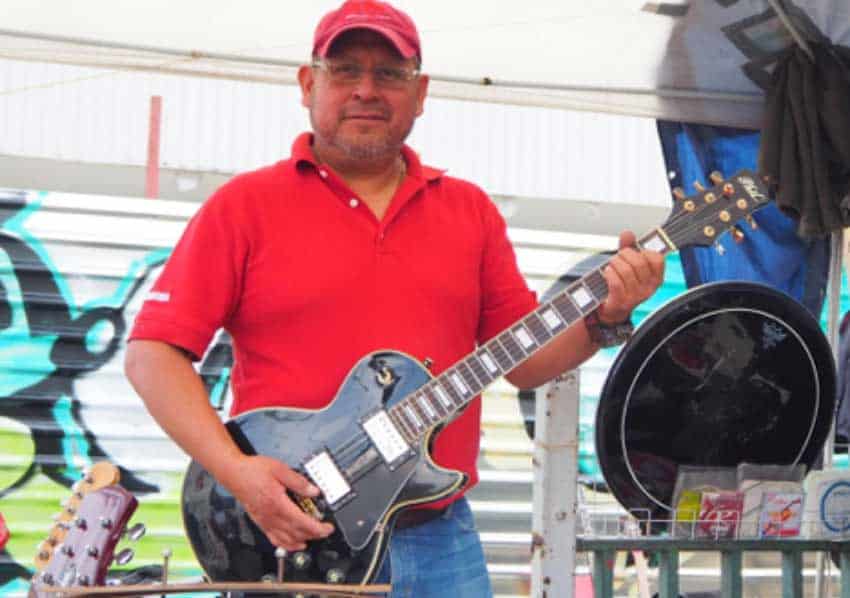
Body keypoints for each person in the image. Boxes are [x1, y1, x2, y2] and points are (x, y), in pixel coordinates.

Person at [124, 1, 665, 596]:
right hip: (292, 533)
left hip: (438, 536)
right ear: (308, 84)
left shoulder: (470, 212)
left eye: (389, 74)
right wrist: (238, 473)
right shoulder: (244, 207)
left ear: (421, 91)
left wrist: (609, 316)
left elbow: (527, 360)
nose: (366, 90)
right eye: (345, 70)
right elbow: (153, 354)